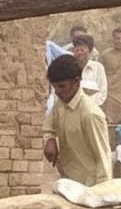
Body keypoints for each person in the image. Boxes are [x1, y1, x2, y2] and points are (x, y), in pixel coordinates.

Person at [42, 54, 111, 187]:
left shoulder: (91, 114)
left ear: (76, 82)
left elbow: (103, 160)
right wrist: (50, 140)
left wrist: (100, 194)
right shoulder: (61, 104)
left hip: (89, 187)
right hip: (68, 182)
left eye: (61, 86)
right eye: (54, 87)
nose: (57, 92)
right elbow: (48, 126)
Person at [71, 34, 107, 109]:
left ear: (89, 51)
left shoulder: (98, 68)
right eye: (77, 49)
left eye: (82, 49)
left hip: (92, 109)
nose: (79, 52)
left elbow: (102, 92)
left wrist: (89, 106)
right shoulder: (68, 67)